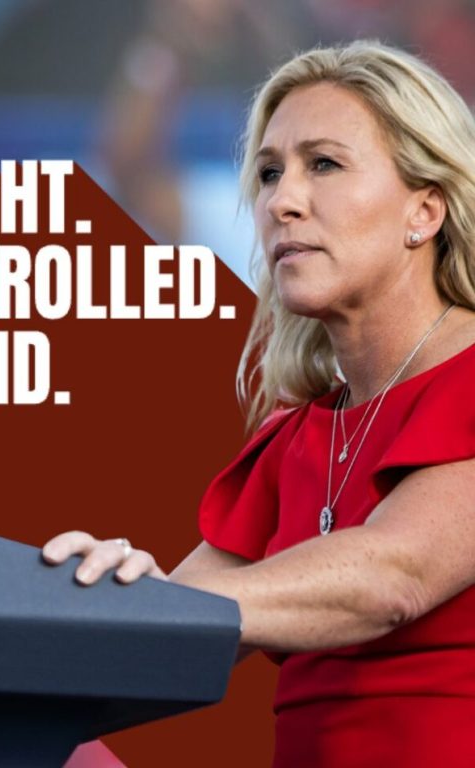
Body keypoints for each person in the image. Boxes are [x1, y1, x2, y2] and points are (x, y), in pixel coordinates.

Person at [42, 40, 475, 768]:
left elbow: (391, 577)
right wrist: (107, 595)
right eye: (270, 173)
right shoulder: (294, 436)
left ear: (425, 210)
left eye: (324, 165)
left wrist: (165, 610)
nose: (281, 201)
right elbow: (158, 646)